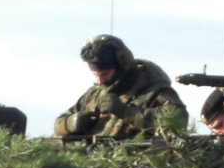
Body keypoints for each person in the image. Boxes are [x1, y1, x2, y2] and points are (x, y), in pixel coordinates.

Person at [52, 34, 186, 140]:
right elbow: (59, 124)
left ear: (122, 66)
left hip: (136, 166)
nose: (100, 80)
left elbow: (178, 121)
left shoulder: (154, 90)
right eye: (95, 75)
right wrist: (72, 123)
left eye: (105, 74)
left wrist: (126, 112)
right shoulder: (95, 94)